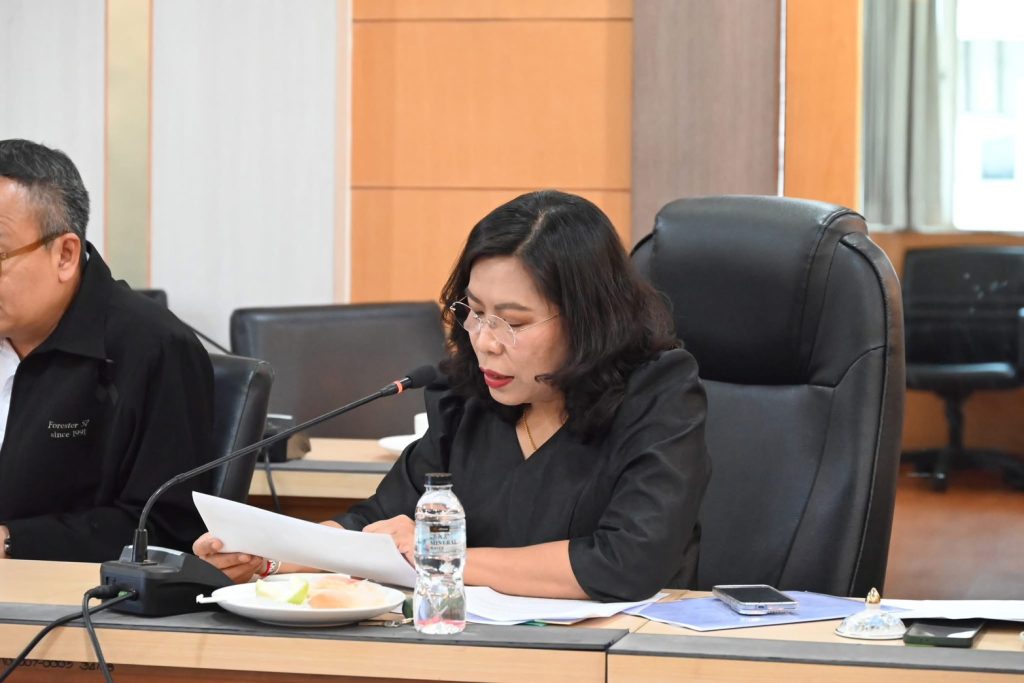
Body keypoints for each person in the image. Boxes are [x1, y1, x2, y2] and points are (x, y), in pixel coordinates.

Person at [196, 190, 710, 601]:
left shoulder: (658, 393)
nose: (484, 341)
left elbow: (626, 563)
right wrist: (268, 558)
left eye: (512, 322)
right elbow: (376, 525)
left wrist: (438, 557)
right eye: (475, 312)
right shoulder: (467, 394)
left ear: (588, 320)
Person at [0, 139, 214, 562]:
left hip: (72, 594)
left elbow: (167, 530)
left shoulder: (154, 349)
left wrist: (12, 541)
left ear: (65, 255)